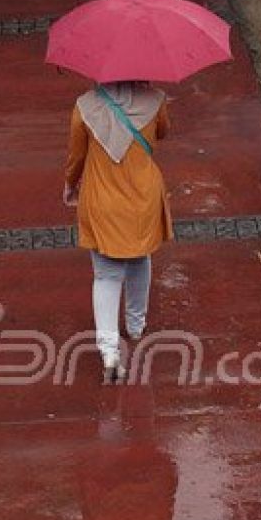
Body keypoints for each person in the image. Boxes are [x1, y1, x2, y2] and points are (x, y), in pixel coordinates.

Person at [63, 80, 173, 381]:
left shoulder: (84, 107)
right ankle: (136, 325)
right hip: (143, 196)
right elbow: (162, 133)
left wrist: (70, 186)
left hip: (102, 199)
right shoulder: (155, 100)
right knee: (140, 257)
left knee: (107, 274)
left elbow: (76, 156)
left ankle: (109, 350)